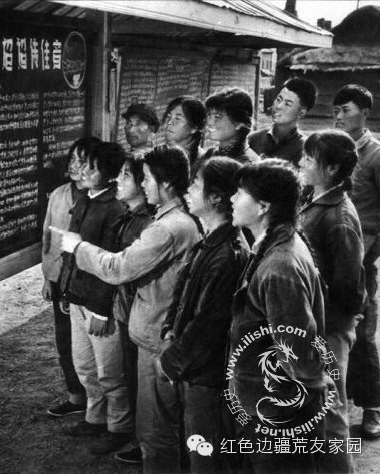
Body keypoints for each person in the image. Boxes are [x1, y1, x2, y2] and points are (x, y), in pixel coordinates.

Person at [52, 145, 200, 472]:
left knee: (156, 425)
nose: (142, 185)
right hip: (149, 327)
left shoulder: (165, 227)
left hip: (157, 331)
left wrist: (78, 247)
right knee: (152, 417)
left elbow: (118, 268)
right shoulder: (164, 220)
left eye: (145, 178)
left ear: (166, 182)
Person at [229, 159, 327, 473]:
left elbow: (297, 354)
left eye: (240, 193)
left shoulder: (280, 266)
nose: (232, 199)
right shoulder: (274, 242)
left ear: (263, 207)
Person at [157, 156, 249, 473]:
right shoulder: (211, 240)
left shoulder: (227, 254)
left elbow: (209, 325)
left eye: (196, 184)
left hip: (208, 377)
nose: (188, 190)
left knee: (206, 458)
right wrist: (170, 328)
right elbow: (183, 292)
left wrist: (170, 360)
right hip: (194, 370)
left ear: (216, 198)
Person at [58, 141, 134, 454]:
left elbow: (112, 263)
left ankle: (119, 427)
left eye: (92, 166)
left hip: (100, 304)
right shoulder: (85, 198)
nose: (84, 171)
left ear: (110, 173)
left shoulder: (115, 208)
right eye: (83, 164)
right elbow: (70, 249)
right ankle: (95, 417)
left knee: (110, 372)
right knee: (85, 365)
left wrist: (103, 310)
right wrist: (66, 288)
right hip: (78, 296)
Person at [299, 130, 366, 473]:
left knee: (331, 411)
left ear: (332, 169)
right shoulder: (313, 198)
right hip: (316, 323)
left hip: (331, 327)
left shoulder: (339, 217)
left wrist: (337, 323)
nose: (301, 163)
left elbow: (348, 285)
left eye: (309, 159)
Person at [333, 84, 380, 438]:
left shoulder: (375, 155)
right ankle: (334, 406)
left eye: (346, 110)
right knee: (333, 331)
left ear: (364, 112)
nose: (339, 116)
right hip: (334, 253)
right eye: (336, 110)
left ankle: (372, 408)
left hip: (362, 257)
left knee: (363, 333)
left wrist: (368, 255)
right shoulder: (332, 148)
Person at [41, 137, 99, 417]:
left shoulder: (101, 198)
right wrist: (47, 277)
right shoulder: (58, 194)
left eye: (83, 160)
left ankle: (98, 403)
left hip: (86, 283)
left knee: (91, 345)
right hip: (58, 278)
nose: (76, 166)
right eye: (73, 159)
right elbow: (48, 237)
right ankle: (75, 397)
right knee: (65, 340)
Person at [110, 157, 154, 464]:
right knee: (130, 374)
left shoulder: (147, 223)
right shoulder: (128, 215)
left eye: (126, 175)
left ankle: (145, 443)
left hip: (137, 311)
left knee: (140, 380)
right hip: (126, 309)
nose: (118, 180)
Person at [249, 78, 317, 166]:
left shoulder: (306, 148)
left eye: (287, 104)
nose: (278, 106)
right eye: (278, 99)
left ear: (301, 113)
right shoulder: (254, 139)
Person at [202, 87, 260, 165]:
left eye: (217, 117)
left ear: (239, 123)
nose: (210, 122)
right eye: (209, 115)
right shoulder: (210, 154)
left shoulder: (249, 164)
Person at [162, 95, 207, 175]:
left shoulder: (204, 163)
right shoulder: (158, 155)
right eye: (168, 117)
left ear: (194, 127)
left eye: (177, 118)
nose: (169, 122)